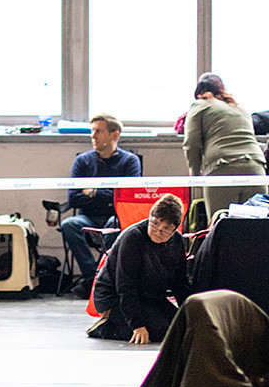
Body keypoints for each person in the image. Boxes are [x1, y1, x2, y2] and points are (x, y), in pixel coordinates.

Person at [89, 193, 190, 345]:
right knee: (160, 332)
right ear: (150, 217)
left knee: (181, 327)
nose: (158, 231)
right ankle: (106, 327)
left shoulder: (177, 242)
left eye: (165, 229)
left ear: (175, 228)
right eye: (155, 224)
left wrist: (190, 312)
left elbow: (180, 283)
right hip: (115, 297)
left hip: (150, 297)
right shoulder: (132, 238)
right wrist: (137, 325)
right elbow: (125, 285)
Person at [61, 113, 142, 299]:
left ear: (115, 135)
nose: (93, 136)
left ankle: (101, 276)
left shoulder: (130, 161)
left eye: (99, 131)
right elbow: (73, 198)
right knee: (69, 224)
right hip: (87, 217)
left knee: (114, 225)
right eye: (92, 131)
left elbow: (127, 198)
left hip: (115, 216)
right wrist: (109, 195)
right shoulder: (82, 161)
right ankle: (93, 278)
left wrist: (93, 191)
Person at [183, 73, 267, 223]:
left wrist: (195, 176)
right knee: (257, 229)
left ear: (199, 93)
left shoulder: (200, 105)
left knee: (219, 227)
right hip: (256, 170)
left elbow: (191, 143)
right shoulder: (239, 108)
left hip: (222, 169)